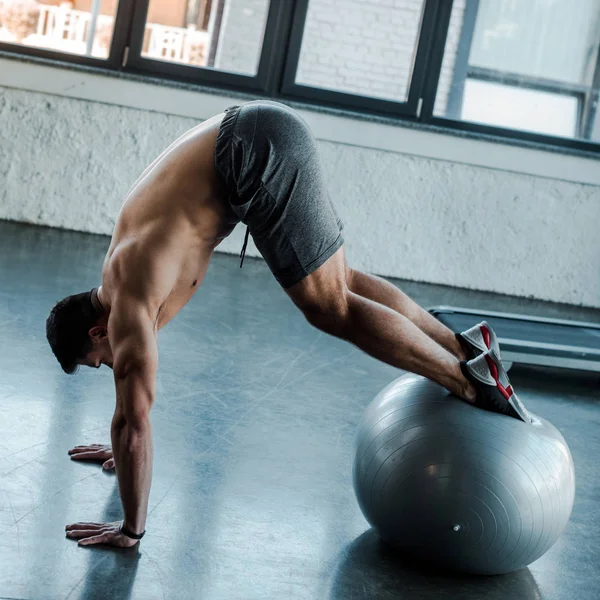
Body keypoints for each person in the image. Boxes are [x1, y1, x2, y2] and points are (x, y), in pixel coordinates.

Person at [46, 100, 530, 549]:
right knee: (338, 281)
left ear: (95, 332)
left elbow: (133, 422)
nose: (109, 366)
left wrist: (130, 529)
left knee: (328, 306)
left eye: (98, 361)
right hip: (260, 129)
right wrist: (124, 453)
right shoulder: (124, 281)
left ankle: (468, 384)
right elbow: (130, 414)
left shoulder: (129, 298)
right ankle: (465, 349)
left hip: (251, 151)